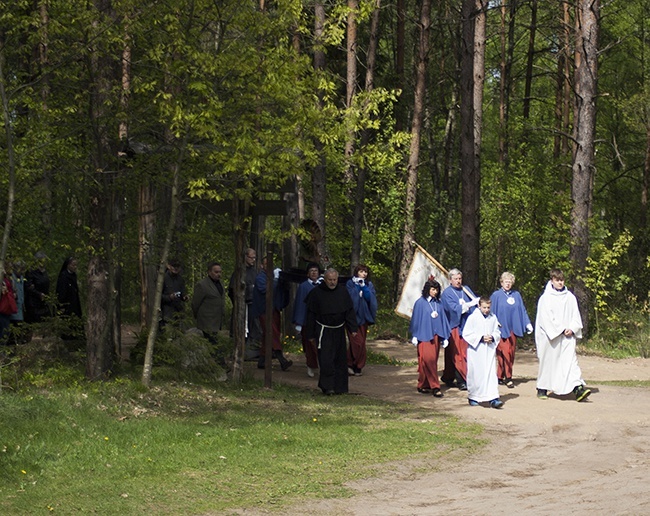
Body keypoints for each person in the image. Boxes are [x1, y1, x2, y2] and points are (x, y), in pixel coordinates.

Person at [535, 268, 591, 402]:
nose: (560, 283)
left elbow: (575, 316)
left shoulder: (570, 297)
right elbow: (545, 318)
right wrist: (560, 329)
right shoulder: (546, 298)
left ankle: (577, 388)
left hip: (567, 337)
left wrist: (572, 328)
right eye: (557, 280)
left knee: (570, 362)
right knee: (549, 362)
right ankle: (542, 387)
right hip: (551, 338)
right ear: (552, 281)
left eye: (561, 280)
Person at [305, 268, 358, 395]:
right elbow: (311, 315)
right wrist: (310, 334)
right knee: (326, 359)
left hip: (339, 329)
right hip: (324, 330)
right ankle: (327, 386)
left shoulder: (343, 292)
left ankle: (340, 387)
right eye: (330, 280)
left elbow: (349, 311)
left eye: (335, 280)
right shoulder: (316, 293)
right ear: (325, 279)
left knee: (340, 359)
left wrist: (353, 328)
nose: (332, 282)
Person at [490, 271, 533, 388]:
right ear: (501, 282)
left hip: (513, 328)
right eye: (505, 282)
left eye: (510, 282)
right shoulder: (496, 295)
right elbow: (490, 311)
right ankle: (508, 377)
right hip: (501, 329)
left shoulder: (516, 295)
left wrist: (527, 323)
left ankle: (500, 376)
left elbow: (522, 310)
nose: (508, 284)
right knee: (504, 352)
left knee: (511, 353)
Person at [409, 280, 451, 398]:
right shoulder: (420, 303)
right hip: (424, 335)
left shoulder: (438, 303)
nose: (435, 292)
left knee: (426, 362)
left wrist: (445, 336)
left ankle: (423, 384)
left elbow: (443, 320)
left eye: (436, 290)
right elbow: (416, 319)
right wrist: (415, 335)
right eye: (433, 289)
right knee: (429, 360)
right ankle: (435, 386)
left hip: (436, 336)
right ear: (427, 289)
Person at [462, 296, 504, 409]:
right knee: (476, 373)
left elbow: (497, 332)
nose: (486, 310)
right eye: (484, 307)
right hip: (476, 351)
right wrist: (480, 338)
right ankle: (474, 397)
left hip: (489, 350)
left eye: (488, 307)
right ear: (479, 306)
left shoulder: (493, 317)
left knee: (490, 373)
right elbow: (466, 334)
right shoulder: (473, 318)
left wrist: (493, 337)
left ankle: (493, 397)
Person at [441, 268, 479, 390]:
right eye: (455, 279)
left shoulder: (466, 290)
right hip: (455, 326)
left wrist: (476, 304)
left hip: (467, 326)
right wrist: (467, 305)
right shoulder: (447, 293)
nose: (458, 281)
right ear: (450, 280)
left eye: (459, 278)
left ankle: (450, 377)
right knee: (457, 353)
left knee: (464, 352)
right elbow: (452, 309)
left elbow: (475, 304)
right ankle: (461, 379)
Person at [251, 256, 291, 371]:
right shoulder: (261, 278)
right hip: (264, 310)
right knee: (272, 332)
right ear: (262, 266)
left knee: (268, 335)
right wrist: (276, 281)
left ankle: (262, 360)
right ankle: (281, 359)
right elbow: (266, 289)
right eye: (266, 264)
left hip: (274, 309)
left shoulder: (274, 278)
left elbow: (281, 291)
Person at [192, 261, 227, 369]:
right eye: (216, 272)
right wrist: (197, 316)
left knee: (212, 342)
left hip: (216, 319)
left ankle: (211, 364)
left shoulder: (220, 284)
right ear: (209, 272)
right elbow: (195, 303)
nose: (218, 274)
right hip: (206, 319)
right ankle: (221, 364)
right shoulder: (202, 285)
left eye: (220, 272)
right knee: (213, 342)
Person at [228, 248, 261, 360]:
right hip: (243, 306)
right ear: (246, 257)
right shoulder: (239, 272)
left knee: (254, 329)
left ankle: (251, 351)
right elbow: (232, 291)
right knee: (242, 329)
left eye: (255, 258)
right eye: (252, 257)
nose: (253, 260)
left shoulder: (255, 271)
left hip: (253, 306)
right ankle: (239, 352)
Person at [345, 264, 378, 376]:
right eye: (361, 271)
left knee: (362, 343)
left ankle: (356, 365)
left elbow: (371, 299)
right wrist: (357, 290)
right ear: (356, 272)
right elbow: (349, 298)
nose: (364, 274)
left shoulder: (369, 284)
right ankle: (351, 364)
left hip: (364, 318)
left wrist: (364, 288)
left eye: (365, 272)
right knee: (356, 342)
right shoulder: (350, 283)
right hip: (352, 318)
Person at [292, 262, 321, 378]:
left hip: (319, 321)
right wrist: (299, 323)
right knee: (309, 345)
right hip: (307, 321)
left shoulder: (321, 285)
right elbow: (300, 305)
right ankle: (310, 365)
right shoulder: (303, 286)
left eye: (316, 271)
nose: (314, 273)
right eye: (311, 271)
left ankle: (321, 365)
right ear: (308, 273)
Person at [56, 257, 83, 341]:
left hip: (74, 303)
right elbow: (61, 292)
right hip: (66, 305)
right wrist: (61, 305)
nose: (75, 267)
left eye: (76, 265)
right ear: (68, 265)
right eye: (73, 265)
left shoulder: (73, 276)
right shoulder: (63, 276)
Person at [160, 258, 188, 329]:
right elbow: (158, 296)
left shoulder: (180, 279)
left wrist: (184, 297)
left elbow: (182, 293)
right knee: (168, 336)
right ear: (169, 266)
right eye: (173, 266)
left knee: (178, 336)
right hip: (167, 313)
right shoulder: (163, 278)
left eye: (177, 266)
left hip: (178, 313)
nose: (175, 268)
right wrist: (169, 297)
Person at [25, 251, 50, 324]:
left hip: (44, 302)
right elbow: (28, 286)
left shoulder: (45, 272)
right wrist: (38, 294)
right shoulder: (31, 271)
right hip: (33, 304)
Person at [8, 261, 27, 344]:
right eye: (20, 269)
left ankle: (18, 342)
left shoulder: (22, 278)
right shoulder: (11, 278)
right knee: (13, 327)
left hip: (20, 306)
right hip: (12, 307)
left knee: (19, 325)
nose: (21, 271)